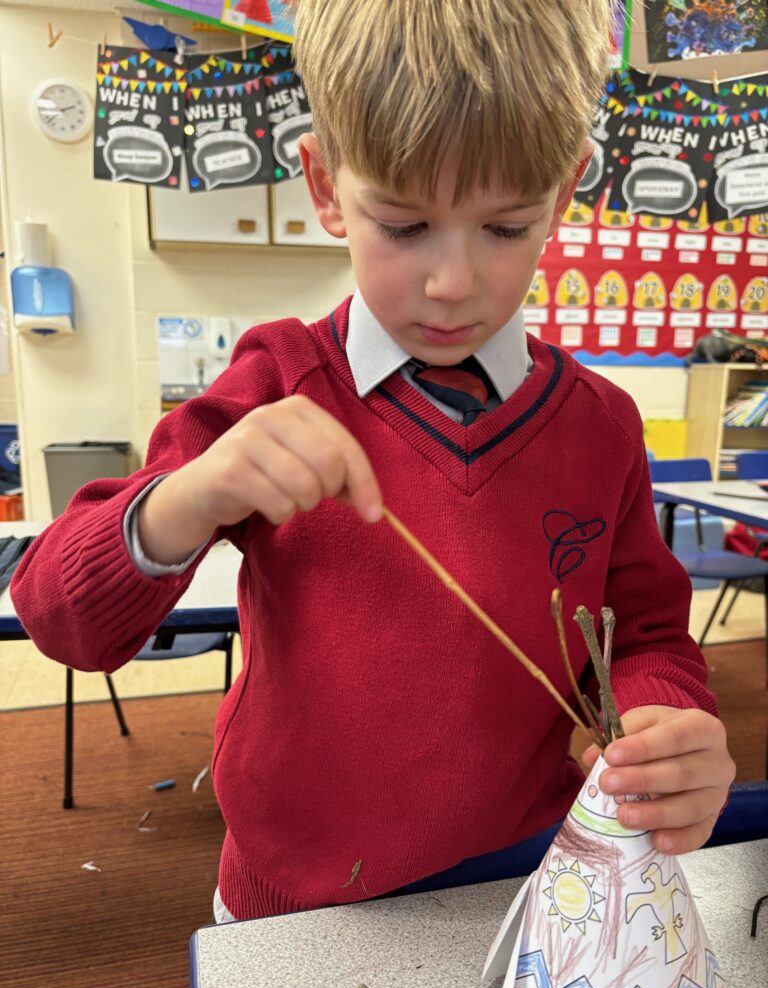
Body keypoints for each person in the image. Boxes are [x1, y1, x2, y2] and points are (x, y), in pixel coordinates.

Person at [12, 0, 734, 923]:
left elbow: (644, 635)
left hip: (529, 884)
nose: (451, 284)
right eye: (401, 225)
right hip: (297, 897)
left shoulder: (599, 425)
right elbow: (59, 617)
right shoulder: (274, 382)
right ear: (323, 186)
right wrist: (186, 499)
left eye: (506, 229)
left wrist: (664, 719)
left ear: (564, 195)